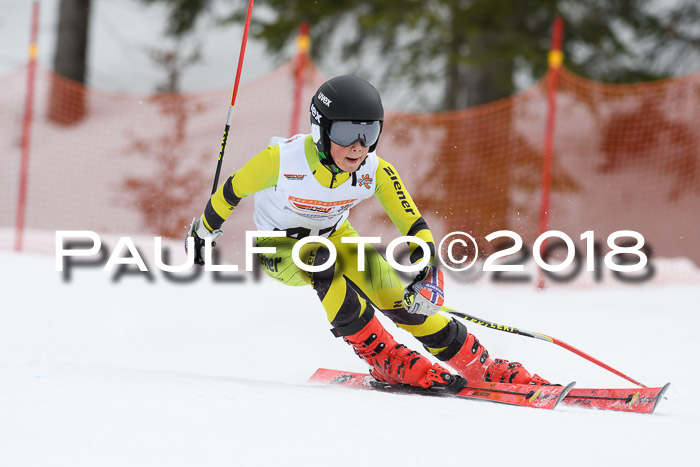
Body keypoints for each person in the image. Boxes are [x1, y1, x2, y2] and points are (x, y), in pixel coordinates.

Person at [187, 75, 549, 388]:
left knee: (398, 298)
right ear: (321, 130)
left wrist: (428, 271)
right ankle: (384, 356)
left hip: (335, 236)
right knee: (319, 258)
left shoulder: (375, 170)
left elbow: (413, 223)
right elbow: (231, 191)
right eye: (346, 132)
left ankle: (481, 366)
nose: (359, 145)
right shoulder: (282, 160)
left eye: (369, 131)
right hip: (279, 248)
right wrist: (203, 231)